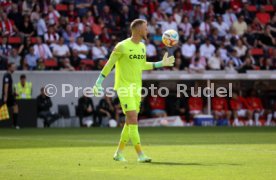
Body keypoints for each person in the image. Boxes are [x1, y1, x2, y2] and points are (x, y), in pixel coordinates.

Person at [92, 19, 175, 162]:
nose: (147, 31)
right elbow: (109, 65)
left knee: (129, 122)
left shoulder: (142, 47)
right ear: (137, 30)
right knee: (133, 119)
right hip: (124, 88)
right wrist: (98, 82)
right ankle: (140, 154)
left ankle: (119, 153)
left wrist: (161, 63)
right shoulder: (122, 46)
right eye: (145, 28)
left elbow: (142, 65)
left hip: (137, 88)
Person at [1, 63, 19, 129]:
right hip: (7, 96)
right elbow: (6, 86)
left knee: (15, 107)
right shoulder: (7, 75)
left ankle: (14, 124)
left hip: (10, 95)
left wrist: (14, 93)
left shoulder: (9, 75)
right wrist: (5, 96)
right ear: (9, 67)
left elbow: (9, 87)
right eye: (13, 67)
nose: (14, 68)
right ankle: (15, 124)